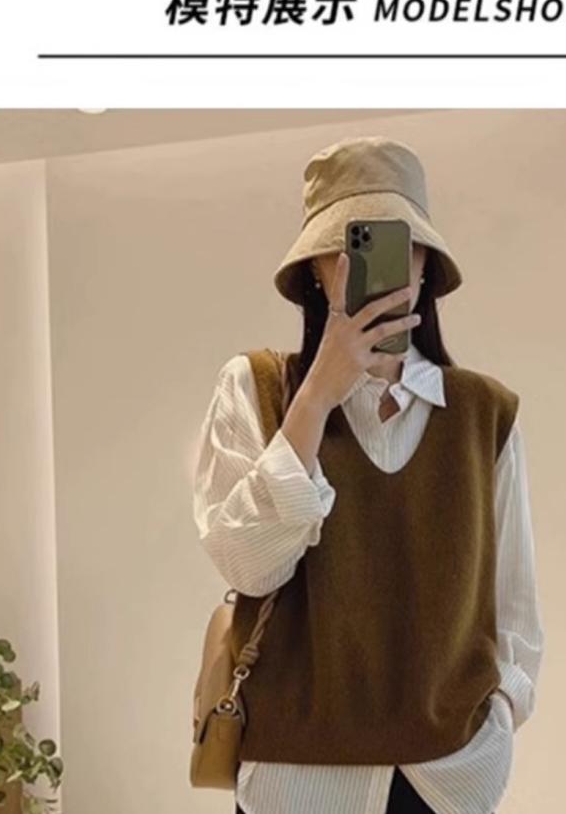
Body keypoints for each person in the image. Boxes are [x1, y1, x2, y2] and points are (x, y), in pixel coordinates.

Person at [192, 136, 544, 814]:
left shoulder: (485, 414)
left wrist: (498, 720)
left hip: (447, 778)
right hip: (295, 782)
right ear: (316, 273)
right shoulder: (256, 389)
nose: (377, 271)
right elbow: (248, 567)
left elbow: (517, 605)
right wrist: (316, 399)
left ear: (425, 266)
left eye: (400, 247)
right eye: (348, 248)